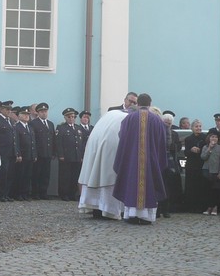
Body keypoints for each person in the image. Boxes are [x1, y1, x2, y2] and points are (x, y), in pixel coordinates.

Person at [113, 93, 167, 225]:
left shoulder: (129, 119)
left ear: (137, 103)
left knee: (132, 184)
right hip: (150, 162)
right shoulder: (157, 120)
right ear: (150, 104)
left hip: (131, 162)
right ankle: (146, 217)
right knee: (148, 186)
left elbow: (122, 138)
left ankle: (131, 215)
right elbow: (162, 142)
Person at [78, 109, 127, 220]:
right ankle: (109, 209)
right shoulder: (123, 118)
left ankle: (96, 207)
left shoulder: (108, 118)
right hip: (110, 151)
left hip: (99, 148)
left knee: (96, 177)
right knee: (108, 179)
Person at [56, 107, 85, 201]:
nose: (71, 118)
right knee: (65, 176)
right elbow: (58, 143)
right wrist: (60, 155)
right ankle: (64, 194)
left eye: (73, 117)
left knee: (75, 176)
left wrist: (81, 156)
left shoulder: (78, 128)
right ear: (65, 118)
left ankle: (73, 193)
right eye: (69, 117)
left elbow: (81, 144)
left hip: (76, 157)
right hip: (66, 157)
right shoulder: (61, 128)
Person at [157, 113, 182, 218]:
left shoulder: (174, 134)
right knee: (159, 186)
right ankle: (158, 210)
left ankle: (166, 210)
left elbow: (179, 146)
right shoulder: (158, 132)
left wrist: (173, 146)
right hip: (160, 162)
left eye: (169, 123)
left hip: (170, 162)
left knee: (168, 187)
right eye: (166, 123)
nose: (167, 125)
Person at [0, 100, 17, 202]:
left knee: (10, 174)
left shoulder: (11, 121)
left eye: (10, 109)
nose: (9, 111)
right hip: (3, 151)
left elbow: (14, 138)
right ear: (1, 109)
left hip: (11, 151)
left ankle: (6, 193)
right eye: (7, 109)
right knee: (3, 174)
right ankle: (0, 194)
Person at [30, 102, 54, 200]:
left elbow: (52, 140)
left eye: (45, 111)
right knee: (36, 174)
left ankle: (44, 192)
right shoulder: (34, 123)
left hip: (47, 153)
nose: (44, 113)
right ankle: (35, 193)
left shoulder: (50, 124)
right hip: (39, 154)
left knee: (46, 174)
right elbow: (33, 140)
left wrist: (53, 152)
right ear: (38, 113)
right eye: (42, 112)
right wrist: (34, 153)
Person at [183, 119, 207, 212]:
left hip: (202, 165)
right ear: (192, 128)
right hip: (191, 166)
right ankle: (190, 207)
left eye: (200, 126)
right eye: (196, 126)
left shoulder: (205, 138)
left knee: (201, 186)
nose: (198, 128)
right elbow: (186, 152)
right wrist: (191, 150)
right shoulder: (188, 139)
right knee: (191, 186)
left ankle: (201, 207)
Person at [13, 106, 36, 200]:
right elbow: (16, 142)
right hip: (22, 155)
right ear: (19, 116)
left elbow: (33, 142)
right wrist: (18, 154)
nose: (26, 116)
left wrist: (34, 154)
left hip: (30, 155)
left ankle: (25, 193)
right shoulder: (16, 127)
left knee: (28, 175)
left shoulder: (30, 128)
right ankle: (19, 194)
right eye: (24, 114)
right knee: (20, 175)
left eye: (27, 114)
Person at [201, 131, 220, 216]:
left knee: (215, 190)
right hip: (207, 170)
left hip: (216, 172)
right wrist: (209, 149)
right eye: (212, 137)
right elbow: (203, 157)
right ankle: (209, 207)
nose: (214, 138)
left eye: (215, 137)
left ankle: (215, 207)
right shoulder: (205, 147)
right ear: (209, 138)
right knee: (208, 190)